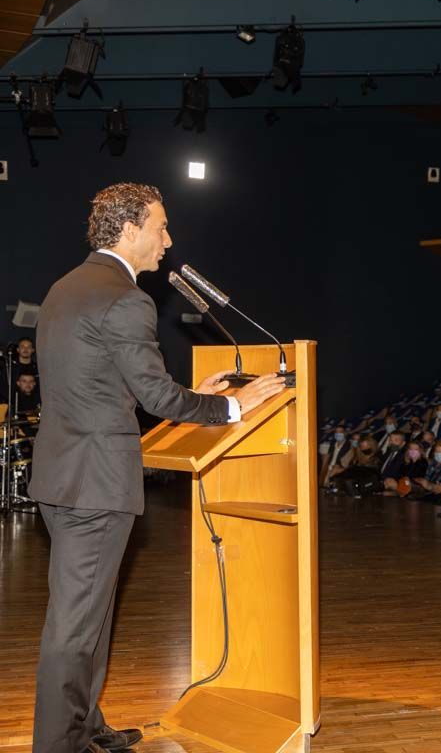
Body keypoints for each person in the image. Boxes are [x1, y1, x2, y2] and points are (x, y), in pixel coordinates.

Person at [29, 183, 287, 753]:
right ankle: (56, 745)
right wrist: (231, 406)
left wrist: (190, 393)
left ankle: (85, 728)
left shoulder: (66, 288)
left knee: (88, 615)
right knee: (74, 627)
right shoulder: (126, 298)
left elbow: (105, 388)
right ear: (129, 230)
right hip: (95, 484)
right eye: (162, 227)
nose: (168, 241)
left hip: (63, 475)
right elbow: (154, 398)